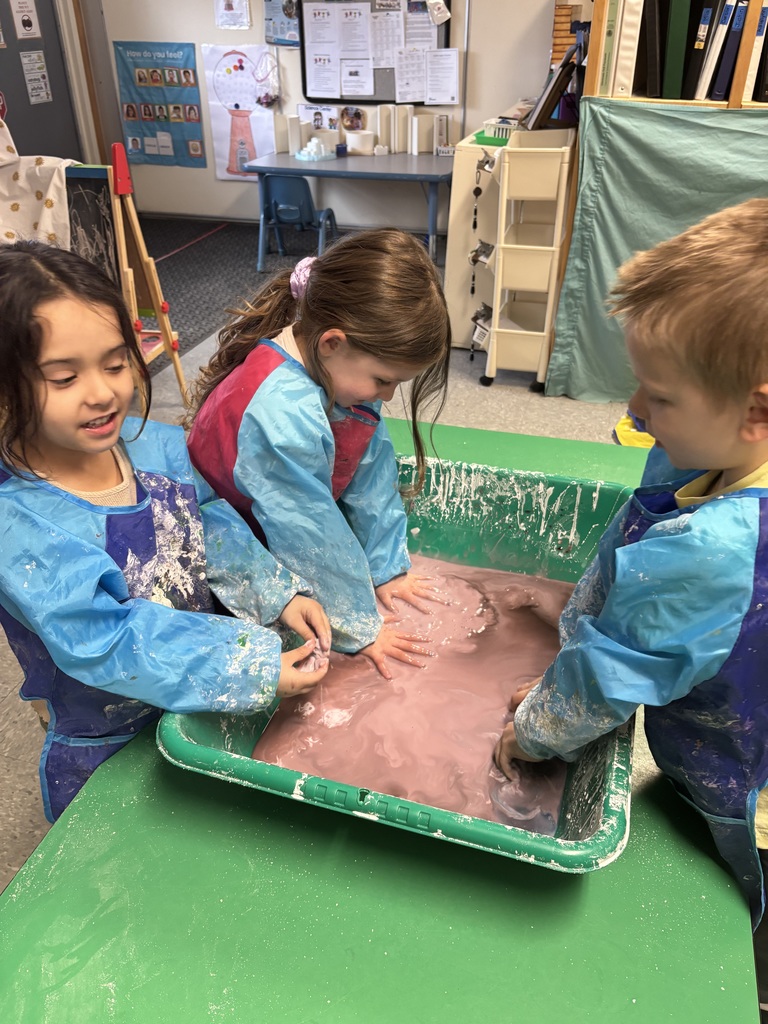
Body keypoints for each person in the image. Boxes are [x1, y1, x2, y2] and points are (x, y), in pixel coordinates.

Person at [493, 199, 768, 1019]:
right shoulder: (720, 450)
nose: (634, 413)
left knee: (736, 931)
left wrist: (531, 729)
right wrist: (569, 621)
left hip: (746, 781)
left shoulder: (715, 553)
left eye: (658, 396)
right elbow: (626, 564)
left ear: (757, 407)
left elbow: (608, 681)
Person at [0, 241, 331, 823]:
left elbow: (207, 526)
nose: (102, 391)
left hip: (195, 695)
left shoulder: (154, 446)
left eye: (115, 362)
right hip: (105, 733)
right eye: (64, 376)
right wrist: (245, 666)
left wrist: (280, 592)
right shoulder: (17, 523)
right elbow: (105, 636)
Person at [187, 229, 452, 678]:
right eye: (383, 380)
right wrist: (359, 627)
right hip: (225, 533)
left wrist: (388, 568)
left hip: (282, 511)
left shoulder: (340, 370)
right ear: (333, 343)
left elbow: (371, 474)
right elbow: (308, 532)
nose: (387, 396)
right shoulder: (281, 412)